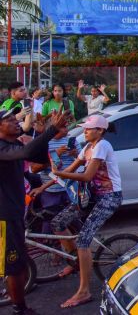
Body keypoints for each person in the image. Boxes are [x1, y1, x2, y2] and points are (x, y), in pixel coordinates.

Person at [50, 114, 123, 308]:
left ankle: (84, 291)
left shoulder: (102, 146)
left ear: (100, 131)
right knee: (57, 223)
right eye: (84, 129)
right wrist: (46, 184)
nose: (85, 131)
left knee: (84, 240)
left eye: (88, 129)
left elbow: (87, 176)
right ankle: (76, 260)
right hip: (90, 197)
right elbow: (71, 172)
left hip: (109, 198)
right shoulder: (87, 147)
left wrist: (59, 172)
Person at [0, 108, 68, 315]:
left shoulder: (14, 143)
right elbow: (27, 153)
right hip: (4, 216)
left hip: (15, 211)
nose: (15, 120)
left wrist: (45, 133)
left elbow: (36, 159)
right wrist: (50, 131)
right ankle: (19, 309)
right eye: (9, 119)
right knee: (13, 265)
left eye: (14, 117)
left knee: (19, 263)